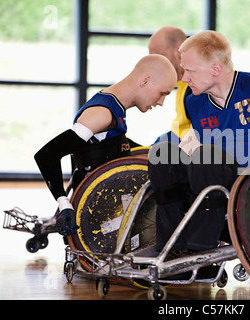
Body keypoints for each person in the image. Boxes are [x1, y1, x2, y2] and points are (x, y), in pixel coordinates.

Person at [148, 30, 250, 254]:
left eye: (189, 71)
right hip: (210, 181)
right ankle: (170, 248)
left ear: (216, 69)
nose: (184, 78)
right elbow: (192, 143)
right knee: (163, 154)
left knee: (206, 157)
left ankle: (200, 250)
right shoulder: (194, 101)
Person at [34, 54, 177, 236]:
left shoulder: (114, 105)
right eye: (163, 93)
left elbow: (115, 146)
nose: (161, 102)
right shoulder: (102, 114)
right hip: (100, 211)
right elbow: (47, 155)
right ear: (146, 80)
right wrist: (64, 205)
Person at [148, 26, 192, 142]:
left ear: (179, 52)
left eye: (159, 55)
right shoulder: (182, 84)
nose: (155, 65)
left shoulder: (195, 89)